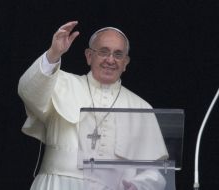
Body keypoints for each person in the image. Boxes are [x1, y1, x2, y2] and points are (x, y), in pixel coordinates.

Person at [18, 21, 169, 190]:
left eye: (118, 54)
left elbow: (155, 172)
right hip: (57, 184)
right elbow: (27, 92)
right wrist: (53, 54)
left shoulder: (141, 108)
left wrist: (136, 186)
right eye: (103, 52)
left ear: (126, 63)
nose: (110, 60)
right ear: (89, 56)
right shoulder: (60, 82)